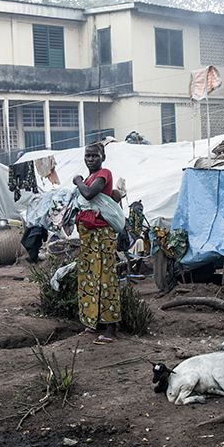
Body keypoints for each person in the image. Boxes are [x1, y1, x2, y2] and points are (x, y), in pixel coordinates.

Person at [73, 141, 122, 344]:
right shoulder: (90, 178)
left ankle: (111, 329)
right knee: (90, 277)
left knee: (106, 277)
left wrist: (77, 180)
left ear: (103, 157)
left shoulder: (104, 174)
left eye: (94, 156)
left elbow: (89, 193)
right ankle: (93, 324)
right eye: (87, 156)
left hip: (102, 235)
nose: (90, 159)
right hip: (91, 236)